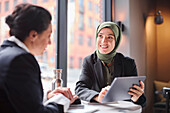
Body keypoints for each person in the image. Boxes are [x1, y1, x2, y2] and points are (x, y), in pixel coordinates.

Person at [0, 3, 77, 113]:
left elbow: (16, 96)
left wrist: (48, 95)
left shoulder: (5, 53)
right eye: (48, 35)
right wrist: (62, 101)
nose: (49, 42)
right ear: (33, 35)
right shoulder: (20, 60)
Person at [75, 21, 146, 107]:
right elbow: (80, 89)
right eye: (100, 36)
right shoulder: (89, 61)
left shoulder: (128, 63)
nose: (104, 41)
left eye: (110, 37)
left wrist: (136, 97)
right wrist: (98, 97)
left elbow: (141, 100)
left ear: (116, 41)